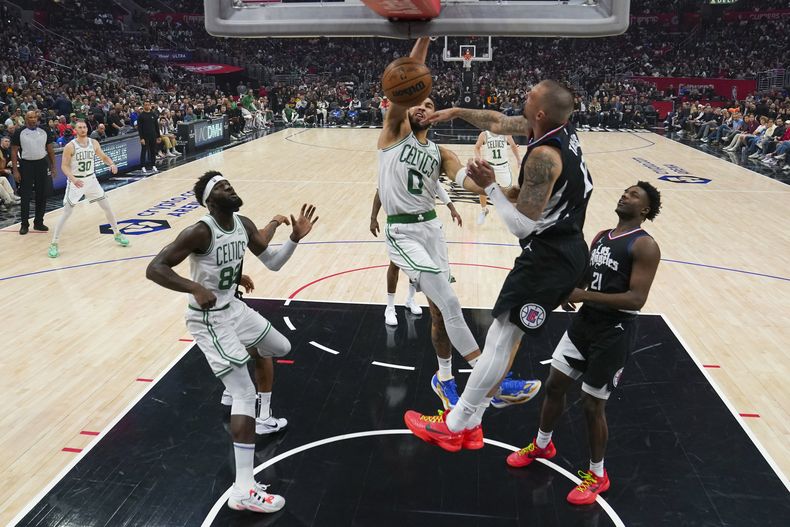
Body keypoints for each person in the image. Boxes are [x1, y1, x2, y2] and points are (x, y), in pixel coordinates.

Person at [405, 79, 593, 452]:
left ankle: (455, 423)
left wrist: (491, 186)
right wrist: (456, 112)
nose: (523, 98)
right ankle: (471, 424)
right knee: (502, 340)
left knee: (500, 340)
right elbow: (496, 122)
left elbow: (522, 224)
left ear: (539, 112)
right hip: (563, 251)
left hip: (549, 257)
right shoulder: (555, 127)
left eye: (529, 97)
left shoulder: (543, 157)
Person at [377, 38, 538, 413]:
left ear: (435, 116)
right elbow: (406, 79)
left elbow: (466, 181)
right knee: (450, 302)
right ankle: (489, 380)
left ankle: (444, 380)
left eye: (429, 105)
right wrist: (426, 37)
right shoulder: (393, 133)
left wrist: (501, 189)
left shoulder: (441, 153)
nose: (422, 106)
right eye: (418, 100)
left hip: (432, 231)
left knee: (438, 311)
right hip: (402, 232)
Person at [146, 170, 318, 513]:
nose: (230, 188)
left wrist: (295, 239)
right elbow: (155, 268)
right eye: (222, 187)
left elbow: (272, 262)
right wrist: (194, 287)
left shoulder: (242, 223)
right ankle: (243, 489)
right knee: (244, 393)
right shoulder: (199, 230)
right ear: (210, 200)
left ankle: (238, 377)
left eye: (230, 183)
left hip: (234, 309)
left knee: (279, 348)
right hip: (209, 319)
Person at [506, 182, 662, 505]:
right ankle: (542, 443)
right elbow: (588, 274)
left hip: (614, 331)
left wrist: (583, 294)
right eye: (625, 191)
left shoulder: (645, 246)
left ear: (644, 210)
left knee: (592, 404)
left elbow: (636, 299)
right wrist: (570, 288)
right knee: (554, 384)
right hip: (585, 323)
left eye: (634, 195)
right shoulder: (602, 236)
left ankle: (598, 474)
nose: (624, 195)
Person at [47, 120, 130, 258]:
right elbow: (64, 166)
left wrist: (111, 164)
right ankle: (54, 243)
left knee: (107, 207)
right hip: (76, 182)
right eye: (80, 127)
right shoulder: (70, 146)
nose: (83, 129)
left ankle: (117, 233)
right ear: (75, 130)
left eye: (85, 127)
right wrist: (73, 179)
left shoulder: (94, 143)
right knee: (66, 213)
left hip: (91, 180)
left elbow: (103, 156)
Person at [11, 110, 56, 235]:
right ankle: (24, 224)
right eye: (30, 117)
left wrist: (53, 167)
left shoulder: (45, 131)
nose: (33, 119)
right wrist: (15, 170)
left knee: (42, 194)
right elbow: (14, 152)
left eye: (35, 117)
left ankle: (39, 222)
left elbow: (50, 150)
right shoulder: (19, 132)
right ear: (26, 119)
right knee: (25, 196)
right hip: (26, 165)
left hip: (42, 163)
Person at [473, 131, 520, 224]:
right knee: (482, 188)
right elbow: (477, 147)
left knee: (509, 191)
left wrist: (519, 160)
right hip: (489, 166)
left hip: (503, 167)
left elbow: (513, 146)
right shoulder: (484, 134)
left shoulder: (506, 133)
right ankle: (484, 210)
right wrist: (479, 158)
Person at [137, 100, 160, 174]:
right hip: (145, 137)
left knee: (153, 151)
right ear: (144, 106)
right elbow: (139, 128)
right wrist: (141, 138)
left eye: (148, 104)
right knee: (144, 151)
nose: (147, 106)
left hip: (153, 136)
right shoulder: (141, 116)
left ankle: (153, 165)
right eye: (145, 105)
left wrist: (158, 136)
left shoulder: (153, 114)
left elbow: (156, 126)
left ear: (150, 105)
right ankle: (143, 166)